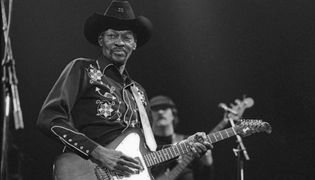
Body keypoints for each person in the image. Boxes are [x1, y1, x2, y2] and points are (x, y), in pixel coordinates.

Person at [36, 0, 213, 179]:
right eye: (112, 36)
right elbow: (49, 118)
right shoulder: (83, 69)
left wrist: (184, 146)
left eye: (127, 38)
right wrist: (98, 152)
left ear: (134, 44)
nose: (120, 42)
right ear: (100, 40)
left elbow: (148, 158)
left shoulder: (139, 93)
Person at [150, 95, 213, 180]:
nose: (160, 112)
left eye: (164, 108)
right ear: (149, 116)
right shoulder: (146, 144)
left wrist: (207, 164)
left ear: (173, 113)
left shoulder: (190, 142)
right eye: (155, 109)